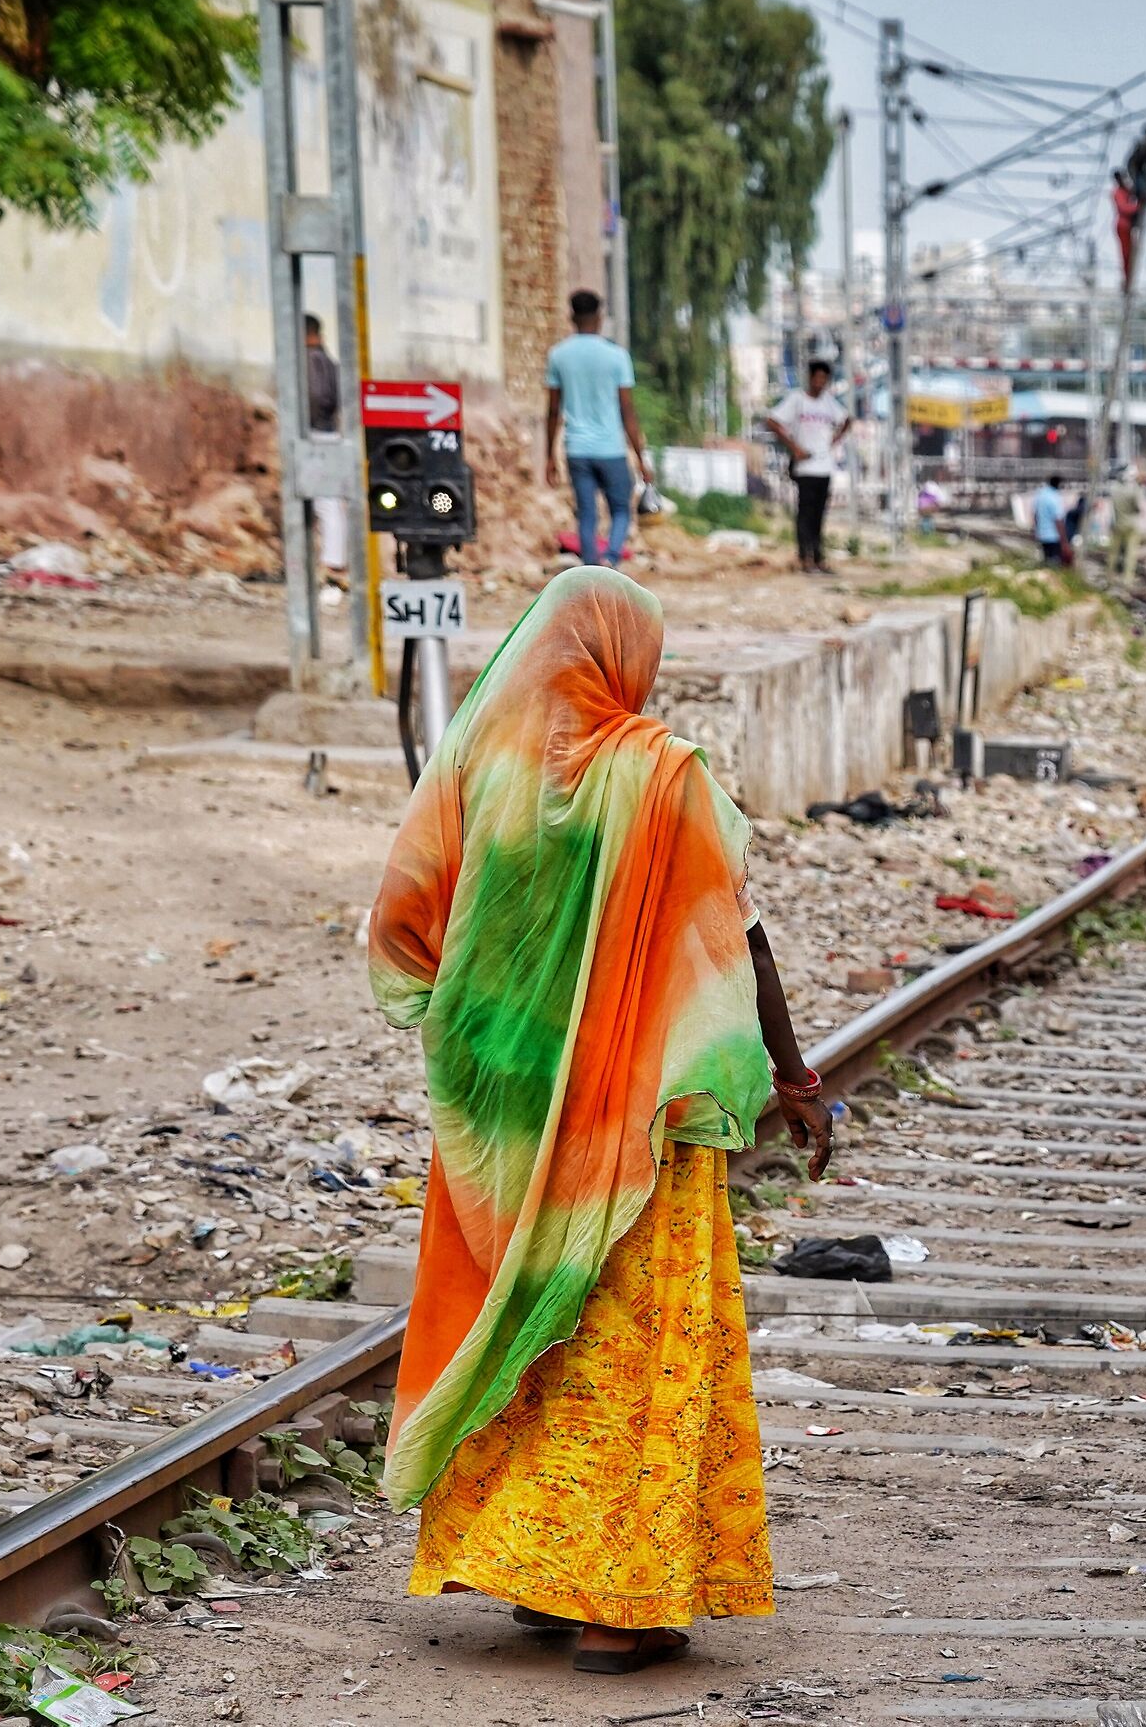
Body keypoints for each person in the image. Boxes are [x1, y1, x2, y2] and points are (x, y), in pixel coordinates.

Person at [367, 568, 837, 1677]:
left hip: (510, 1124)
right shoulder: (661, 775)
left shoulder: (484, 763)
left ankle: (529, 1564)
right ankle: (617, 1606)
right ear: (622, 656)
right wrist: (794, 1077)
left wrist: (494, 1041)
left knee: (523, 1324)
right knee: (633, 1347)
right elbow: (736, 938)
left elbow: (404, 918)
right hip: (631, 1133)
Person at [544, 290, 653, 567]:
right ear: (600, 317)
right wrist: (641, 457)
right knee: (620, 509)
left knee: (587, 514)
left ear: (571, 317)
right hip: (610, 449)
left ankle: (591, 568)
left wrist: (549, 457)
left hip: (577, 449)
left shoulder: (558, 356)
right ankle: (611, 557)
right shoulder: (616, 356)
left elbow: (553, 410)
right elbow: (627, 409)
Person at [764, 360, 850, 575]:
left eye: (825, 379)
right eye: (818, 377)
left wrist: (836, 438)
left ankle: (819, 558)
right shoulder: (797, 400)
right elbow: (772, 421)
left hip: (824, 467)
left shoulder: (829, 402)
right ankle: (805, 557)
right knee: (805, 514)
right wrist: (794, 448)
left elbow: (847, 419)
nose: (821, 382)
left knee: (819, 515)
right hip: (805, 468)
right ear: (811, 378)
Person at [303, 314, 350, 578]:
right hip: (330, 434)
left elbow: (318, 398)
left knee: (325, 503)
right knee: (329, 503)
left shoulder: (311, 363)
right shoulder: (330, 363)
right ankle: (333, 560)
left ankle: (333, 563)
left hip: (316, 436)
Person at [1032, 475, 1067, 565]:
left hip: (1042, 535)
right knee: (1055, 562)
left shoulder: (1040, 495)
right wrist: (1064, 541)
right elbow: (1058, 520)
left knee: (1046, 560)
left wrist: (1036, 531)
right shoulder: (1054, 497)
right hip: (1053, 536)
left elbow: (1035, 515)